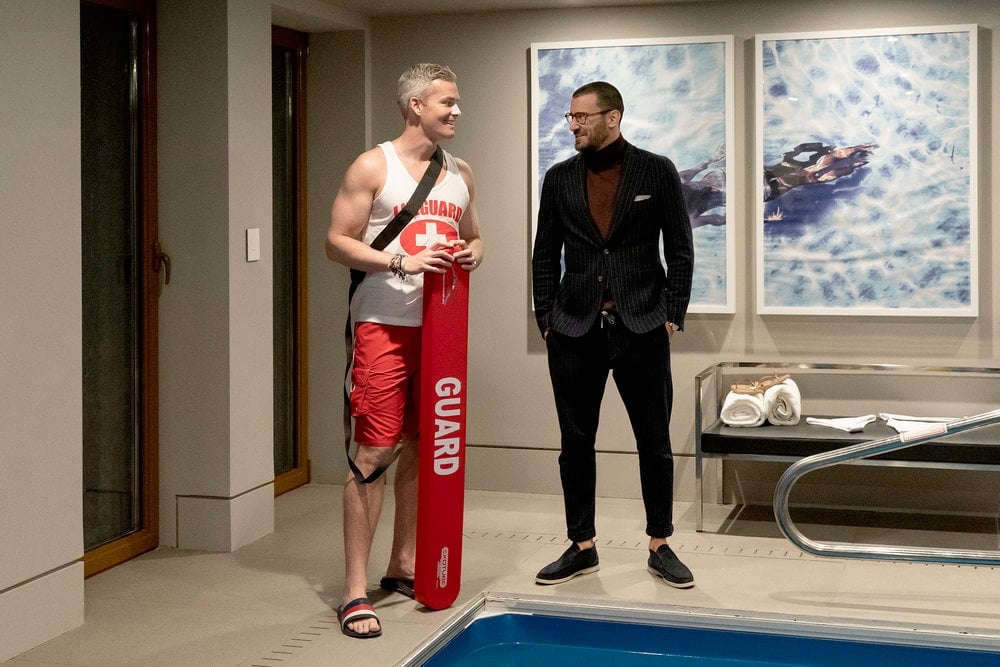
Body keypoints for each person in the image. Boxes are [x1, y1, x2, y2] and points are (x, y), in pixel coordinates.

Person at [325, 63, 483, 639]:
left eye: (457, 102)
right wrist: (401, 261)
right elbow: (336, 242)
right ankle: (354, 590)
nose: (456, 110)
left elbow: (474, 236)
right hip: (383, 327)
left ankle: (403, 564)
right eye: (447, 102)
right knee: (372, 454)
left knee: (421, 448)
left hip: (442, 334)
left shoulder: (460, 172)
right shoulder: (374, 165)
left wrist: (474, 252)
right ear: (416, 105)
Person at [531, 81, 695, 589]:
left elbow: (680, 249)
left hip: (642, 326)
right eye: (571, 117)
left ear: (613, 117)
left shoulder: (656, 170)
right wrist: (546, 318)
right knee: (575, 444)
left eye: (582, 116)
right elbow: (544, 254)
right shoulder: (559, 177)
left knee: (655, 442)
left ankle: (660, 545)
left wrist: (672, 314)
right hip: (574, 329)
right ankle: (582, 546)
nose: (574, 125)